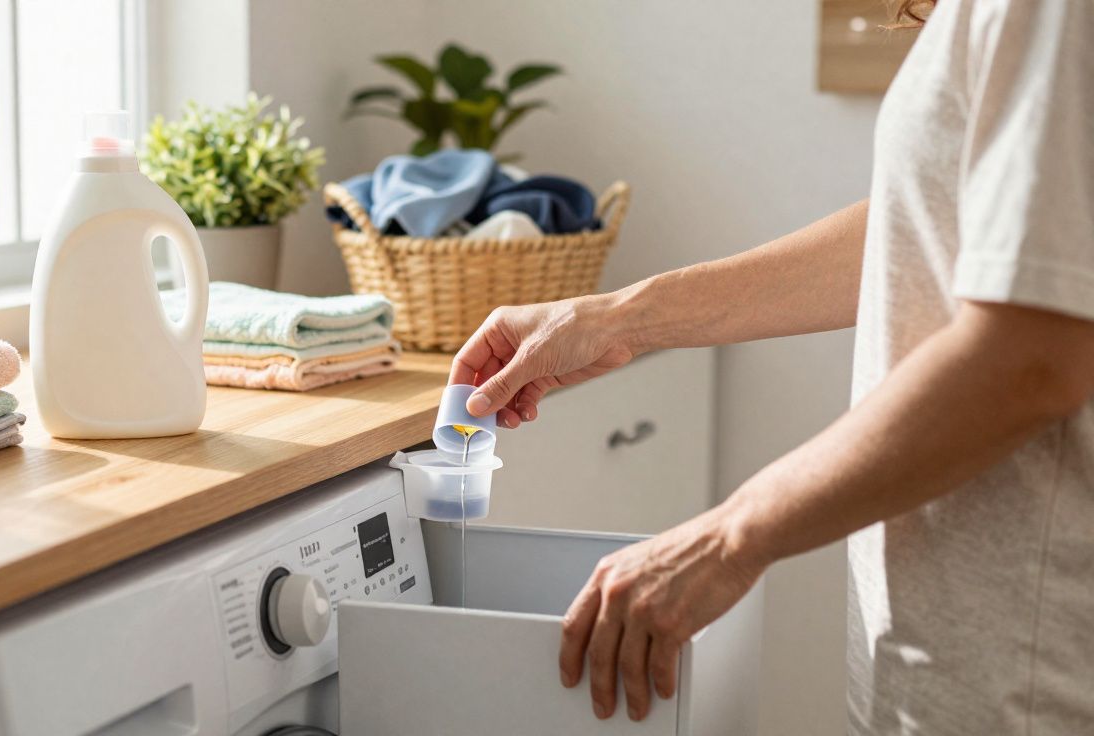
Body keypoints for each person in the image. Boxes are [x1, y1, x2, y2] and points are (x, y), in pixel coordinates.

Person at [448, 0, 1094, 732]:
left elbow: (1032, 356)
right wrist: (618, 317)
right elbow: (927, 230)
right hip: (966, 663)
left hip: (1030, 684)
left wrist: (728, 538)